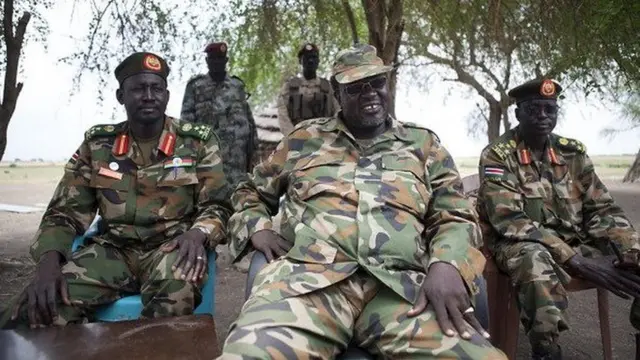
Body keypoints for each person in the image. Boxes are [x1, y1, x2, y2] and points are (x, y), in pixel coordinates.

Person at [218, 44, 507, 359]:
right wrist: (257, 227)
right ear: (338, 96)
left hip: (403, 291)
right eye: (355, 88)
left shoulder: (423, 145)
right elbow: (250, 191)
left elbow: (455, 215)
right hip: (307, 287)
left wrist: (446, 263)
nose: (369, 93)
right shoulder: (304, 140)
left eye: (376, 83)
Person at [0, 52, 231, 329]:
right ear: (121, 96)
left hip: (171, 248)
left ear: (167, 96)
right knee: (33, 308)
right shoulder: (99, 145)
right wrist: (49, 263)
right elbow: (64, 213)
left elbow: (218, 205)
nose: (148, 95)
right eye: (138, 88)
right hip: (112, 252)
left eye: (156, 88)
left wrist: (199, 232)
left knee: (175, 294)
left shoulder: (197, 143)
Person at [476, 78, 640, 360]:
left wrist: (627, 245)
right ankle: (547, 350)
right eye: (533, 109)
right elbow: (510, 221)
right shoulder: (498, 156)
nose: (542, 117)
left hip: (574, 241)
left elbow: (602, 208)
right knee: (534, 262)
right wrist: (575, 260)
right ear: (518, 113)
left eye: (549, 110)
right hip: (518, 244)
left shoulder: (572, 153)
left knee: (637, 254)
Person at [181, 41, 258, 191]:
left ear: (226, 60)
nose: (217, 62)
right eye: (213, 58)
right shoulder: (196, 86)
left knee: (239, 201)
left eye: (220, 58)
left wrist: (254, 152)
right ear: (207, 61)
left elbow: (249, 121)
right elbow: (186, 125)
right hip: (208, 161)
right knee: (209, 204)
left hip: (237, 162)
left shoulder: (237, 86)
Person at [276, 42, 339, 135]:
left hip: (325, 137)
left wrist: (332, 133)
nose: (310, 61)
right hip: (298, 139)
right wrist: (293, 137)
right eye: (306, 58)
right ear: (300, 61)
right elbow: (283, 116)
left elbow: (337, 112)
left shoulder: (328, 87)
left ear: (318, 61)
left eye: (314, 57)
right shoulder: (289, 87)